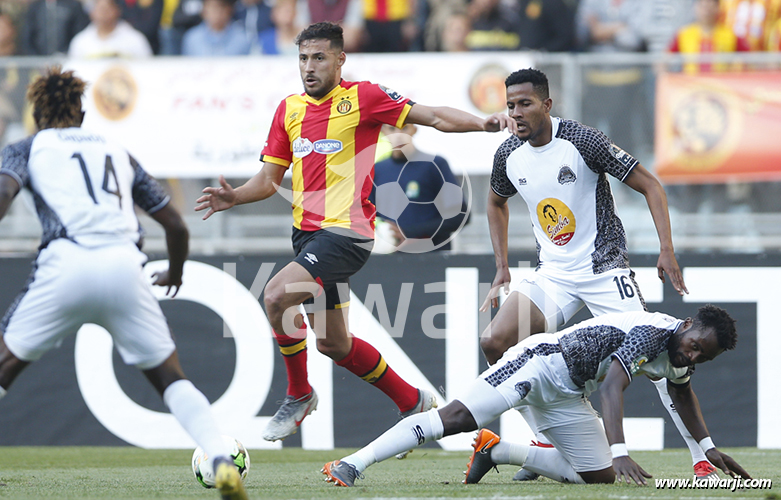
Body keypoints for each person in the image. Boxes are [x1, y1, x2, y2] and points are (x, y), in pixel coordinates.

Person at [195, 21, 515, 443]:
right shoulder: (288, 110)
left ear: (340, 59)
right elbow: (269, 179)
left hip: (348, 233)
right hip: (307, 237)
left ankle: (299, 393)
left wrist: (484, 124)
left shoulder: (363, 98)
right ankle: (412, 401)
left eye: (319, 57)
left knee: (275, 295)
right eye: (303, 58)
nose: (309, 67)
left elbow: (434, 116)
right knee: (334, 344)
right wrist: (234, 197)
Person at [0, 66, 247, 500]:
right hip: (125, 267)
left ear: (37, 114)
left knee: (5, 364)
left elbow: (3, 196)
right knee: (170, 377)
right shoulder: (116, 151)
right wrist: (176, 271)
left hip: (66, 262)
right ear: (80, 113)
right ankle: (219, 459)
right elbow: (175, 225)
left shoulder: (26, 148)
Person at [477, 68, 720, 482]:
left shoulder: (583, 141)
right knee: (496, 342)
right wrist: (502, 266)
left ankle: (702, 458)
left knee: (659, 360)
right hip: (553, 273)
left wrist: (666, 249)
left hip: (604, 269)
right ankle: (546, 440)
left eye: (525, 104)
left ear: (547, 105)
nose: (516, 113)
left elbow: (651, 185)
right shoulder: (507, 154)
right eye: (511, 105)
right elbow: (495, 203)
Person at [321, 306, 752, 487]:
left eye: (702, 356)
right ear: (689, 323)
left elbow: (682, 395)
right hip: (539, 363)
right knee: (455, 418)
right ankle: (351, 465)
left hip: (567, 392)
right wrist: (620, 449)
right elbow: (612, 385)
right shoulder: (653, 333)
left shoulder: (682, 356)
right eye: (695, 343)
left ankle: (499, 451)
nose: (692, 354)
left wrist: (709, 448)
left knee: (597, 477)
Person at [370, 123, 466, 252]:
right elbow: (367, 216)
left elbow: (460, 216)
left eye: (404, 128)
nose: (399, 135)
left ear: (414, 129)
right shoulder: (377, 170)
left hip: (432, 258)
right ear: (383, 132)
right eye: (392, 129)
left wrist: (408, 232)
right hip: (391, 261)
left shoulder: (435, 165)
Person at [68, 0, 153, 58]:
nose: (104, 14)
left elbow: (147, 68)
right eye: (100, 9)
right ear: (92, 12)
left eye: (107, 9)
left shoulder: (135, 39)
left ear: (117, 10)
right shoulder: (80, 41)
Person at [20, 0, 89, 55]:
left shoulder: (73, 6)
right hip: (38, 63)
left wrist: (65, 54)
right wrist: (36, 59)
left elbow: (79, 35)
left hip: (67, 60)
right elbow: (27, 37)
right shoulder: (35, 7)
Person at [182, 0, 250, 55]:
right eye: (212, 7)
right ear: (204, 10)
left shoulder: (242, 39)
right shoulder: (192, 38)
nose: (217, 11)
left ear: (229, 10)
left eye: (221, 6)